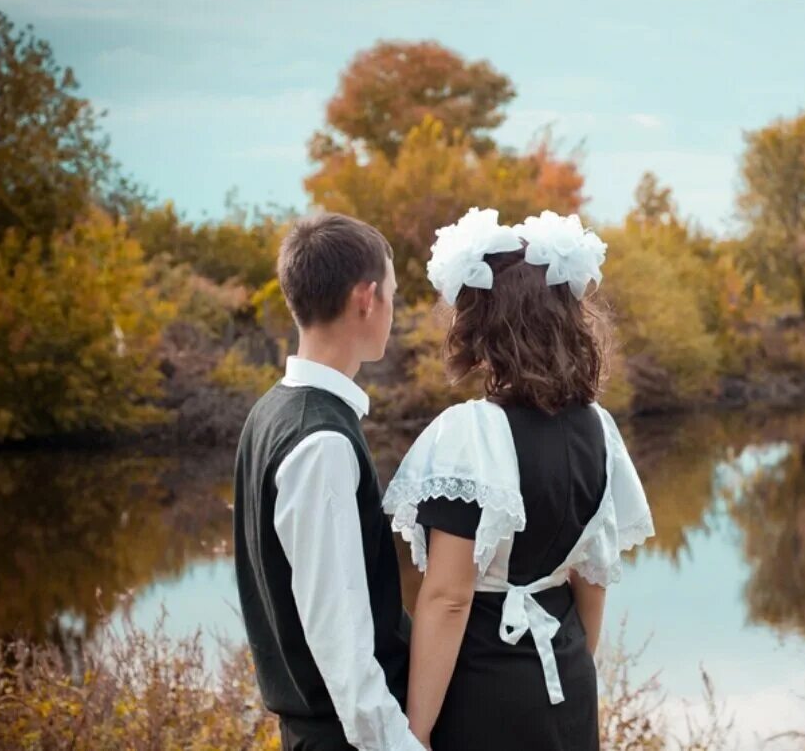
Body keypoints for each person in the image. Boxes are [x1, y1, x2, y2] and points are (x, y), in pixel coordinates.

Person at [383, 208, 655, 750]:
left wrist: (413, 732)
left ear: (485, 328)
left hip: (486, 689)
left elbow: (448, 598)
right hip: (568, 680)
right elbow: (592, 579)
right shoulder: (598, 428)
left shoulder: (471, 435)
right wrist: (572, 665)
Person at [233, 212, 425, 751]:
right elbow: (342, 646)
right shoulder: (321, 443)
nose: (391, 309)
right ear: (366, 298)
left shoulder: (271, 412)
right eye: (391, 293)